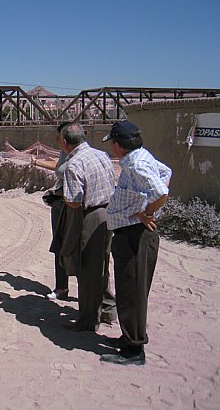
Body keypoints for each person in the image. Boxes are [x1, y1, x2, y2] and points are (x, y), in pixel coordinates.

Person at [101, 120, 171, 366]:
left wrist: (147, 213)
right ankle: (128, 337)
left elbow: (161, 192)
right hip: (131, 234)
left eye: (112, 143)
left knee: (132, 292)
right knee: (131, 289)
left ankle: (134, 350)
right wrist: (141, 205)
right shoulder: (140, 158)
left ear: (118, 145)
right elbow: (166, 172)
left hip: (135, 235)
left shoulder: (137, 165)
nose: (111, 147)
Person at [57, 123, 116, 331]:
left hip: (90, 216)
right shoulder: (101, 155)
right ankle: (109, 309)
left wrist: (62, 197)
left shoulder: (74, 164)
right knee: (102, 263)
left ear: (65, 142)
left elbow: (74, 201)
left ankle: (88, 319)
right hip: (108, 213)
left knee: (88, 269)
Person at [33, 122, 71, 300]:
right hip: (62, 202)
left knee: (69, 244)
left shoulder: (79, 157)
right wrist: (38, 162)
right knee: (60, 244)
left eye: (58, 137)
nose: (56, 140)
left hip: (70, 205)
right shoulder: (66, 153)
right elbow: (59, 169)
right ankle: (61, 287)